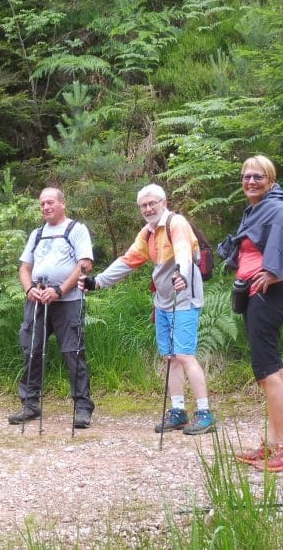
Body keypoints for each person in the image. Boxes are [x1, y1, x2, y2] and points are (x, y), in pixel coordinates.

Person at [79, 185, 216, 435]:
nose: (148, 208)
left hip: (184, 299)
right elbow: (127, 260)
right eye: (143, 205)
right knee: (171, 357)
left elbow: (184, 252)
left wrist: (182, 274)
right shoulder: (148, 233)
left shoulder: (177, 223)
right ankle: (178, 412)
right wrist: (97, 281)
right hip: (163, 301)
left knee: (185, 356)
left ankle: (205, 413)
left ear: (164, 202)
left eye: (152, 203)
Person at [218, 155, 283, 472]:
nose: (250, 181)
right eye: (246, 176)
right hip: (253, 293)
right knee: (271, 368)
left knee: (267, 369)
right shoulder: (256, 210)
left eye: (258, 177)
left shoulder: (275, 207)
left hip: (265, 294)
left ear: (270, 181)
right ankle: (275, 442)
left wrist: (276, 271)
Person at [9, 188, 96, 429]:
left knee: (73, 352)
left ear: (62, 204)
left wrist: (59, 290)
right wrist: (29, 290)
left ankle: (82, 406)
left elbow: (85, 264)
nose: (46, 207)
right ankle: (30, 403)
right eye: (42, 204)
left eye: (50, 203)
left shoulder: (76, 230)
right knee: (31, 350)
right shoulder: (37, 234)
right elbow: (25, 267)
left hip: (68, 302)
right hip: (37, 299)